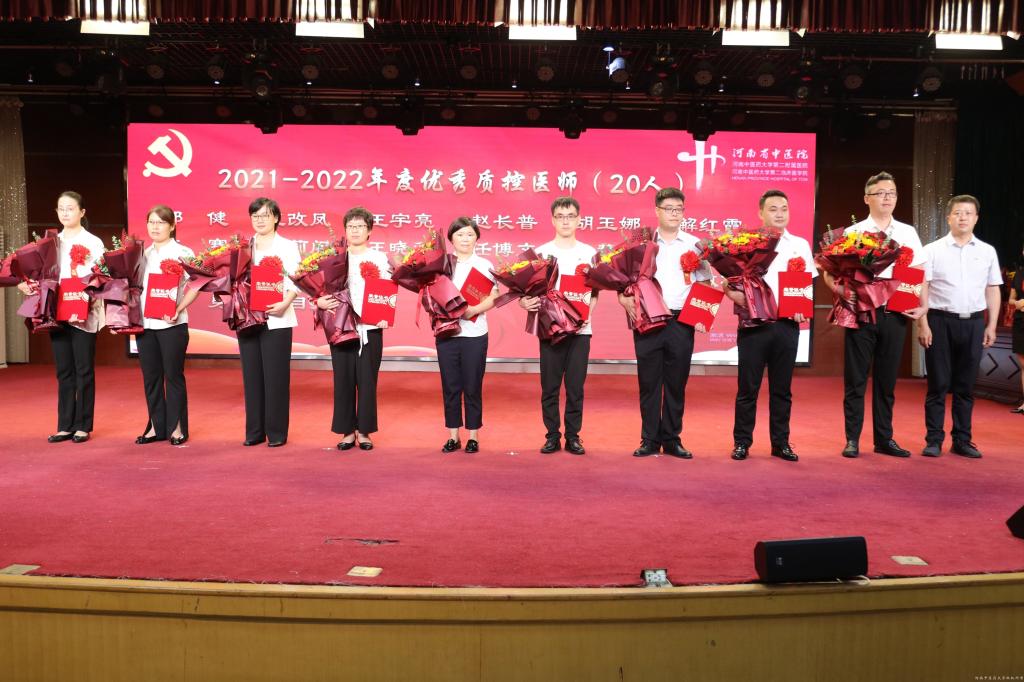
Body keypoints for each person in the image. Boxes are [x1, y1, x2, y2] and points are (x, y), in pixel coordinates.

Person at [820, 171, 927, 458]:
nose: (887, 197)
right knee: (855, 379)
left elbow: (919, 272)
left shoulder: (907, 232)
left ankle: (884, 439)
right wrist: (840, 290)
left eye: (891, 193)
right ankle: (852, 439)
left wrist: (923, 306)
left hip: (896, 313)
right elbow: (829, 271)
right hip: (862, 313)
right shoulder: (853, 232)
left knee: (886, 381)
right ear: (867, 198)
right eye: (880, 193)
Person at [723, 190, 816, 462]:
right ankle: (742, 442)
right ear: (761, 213)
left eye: (784, 208)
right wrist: (731, 293)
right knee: (747, 388)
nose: (779, 214)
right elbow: (729, 281)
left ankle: (781, 443)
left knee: (782, 389)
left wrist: (803, 307)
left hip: (786, 325)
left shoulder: (799, 244)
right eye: (773, 209)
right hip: (754, 324)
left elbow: (807, 283)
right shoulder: (746, 244)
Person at [620, 187, 709, 458]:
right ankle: (649, 439)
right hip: (648, 318)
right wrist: (622, 298)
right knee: (649, 382)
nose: (674, 214)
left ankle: (672, 439)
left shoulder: (695, 245)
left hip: (682, 321)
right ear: (657, 211)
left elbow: (705, 282)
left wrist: (702, 315)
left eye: (679, 209)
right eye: (669, 208)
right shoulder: (642, 243)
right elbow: (623, 278)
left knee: (676, 383)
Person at [917, 195, 1002, 458]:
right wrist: (923, 324)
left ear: (976, 218)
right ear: (948, 217)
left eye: (968, 213)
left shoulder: (987, 251)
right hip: (939, 322)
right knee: (938, 384)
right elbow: (922, 287)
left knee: (966, 386)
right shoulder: (932, 250)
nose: (962, 217)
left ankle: (962, 440)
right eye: (957, 213)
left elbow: (993, 289)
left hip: (974, 323)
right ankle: (933, 440)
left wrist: (992, 325)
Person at [17, 191, 105, 443]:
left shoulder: (93, 242)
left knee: (83, 369)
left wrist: (89, 293)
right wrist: (26, 284)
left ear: (82, 212)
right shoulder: (49, 242)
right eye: (61, 209)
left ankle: (83, 425)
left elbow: (102, 276)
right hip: (56, 311)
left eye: (70, 208)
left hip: (83, 311)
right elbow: (38, 274)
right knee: (64, 370)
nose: (65, 213)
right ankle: (65, 425)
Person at [520, 197, 597, 456]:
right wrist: (524, 302)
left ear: (578, 220)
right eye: (560, 216)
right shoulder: (541, 254)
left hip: (581, 331)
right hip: (550, 329)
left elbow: (595, 293)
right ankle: (552, 435)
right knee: (550, 386)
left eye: (570, 216)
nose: (565, 221)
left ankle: (573, 436)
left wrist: (586, 314)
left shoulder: (589, 253)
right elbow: (527, 292)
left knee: (575, 387)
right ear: (553, 220)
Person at [318, 206, 390, 451]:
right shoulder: (334, 258)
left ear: (369, 231)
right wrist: (318, 301)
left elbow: (387, 290)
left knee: (368, 381)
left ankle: (365, 431)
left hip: (370, 327)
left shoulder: (379, 258)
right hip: (341, 327)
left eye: (360, 226)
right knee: (343, 380)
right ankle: (347, 431)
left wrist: (384, 315)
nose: (355, 231)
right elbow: (318, 288)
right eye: (351, 226)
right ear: (345, 231)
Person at [238, 197, 300, 447]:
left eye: (265, 215)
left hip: (277, 317)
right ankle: (254, 432)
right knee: (251, 376)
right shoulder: (243, 247)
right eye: (255, 216)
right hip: (247, 318)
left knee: (276, 377)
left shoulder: (288, 246)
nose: (260, 220)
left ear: (276, 218)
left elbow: (297, 279)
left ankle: (276, 433)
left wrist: (286, 302)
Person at [437, 217, 498, 454]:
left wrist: (474, 310)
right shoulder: (442, 265)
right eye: (460, 234)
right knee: (450, 386)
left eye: (470, 234)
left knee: (473, 385)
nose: (465, 239)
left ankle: (473, 435)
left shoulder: (484, 264)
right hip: (447, 333)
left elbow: (494, 296)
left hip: (475, 333)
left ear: (477, 238)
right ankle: (453, 436)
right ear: (451, 239)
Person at [135, 205, 196, 446]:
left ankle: (177, 426)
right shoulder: (142, 254)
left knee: (173, 375)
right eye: (151, 222)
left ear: (172, 226)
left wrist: (178, 308)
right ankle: (155, 426)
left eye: (161, 222)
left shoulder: (183, 252)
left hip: (173, 324)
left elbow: (197, 285)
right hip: (145, 324)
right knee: (151, 377)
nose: (155, 227)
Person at [1010, 249, 1024, 414]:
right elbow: (1011, 300)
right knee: (1023, 364)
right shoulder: (1018, 274)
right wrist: (1017, 303)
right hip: (1021, 321)